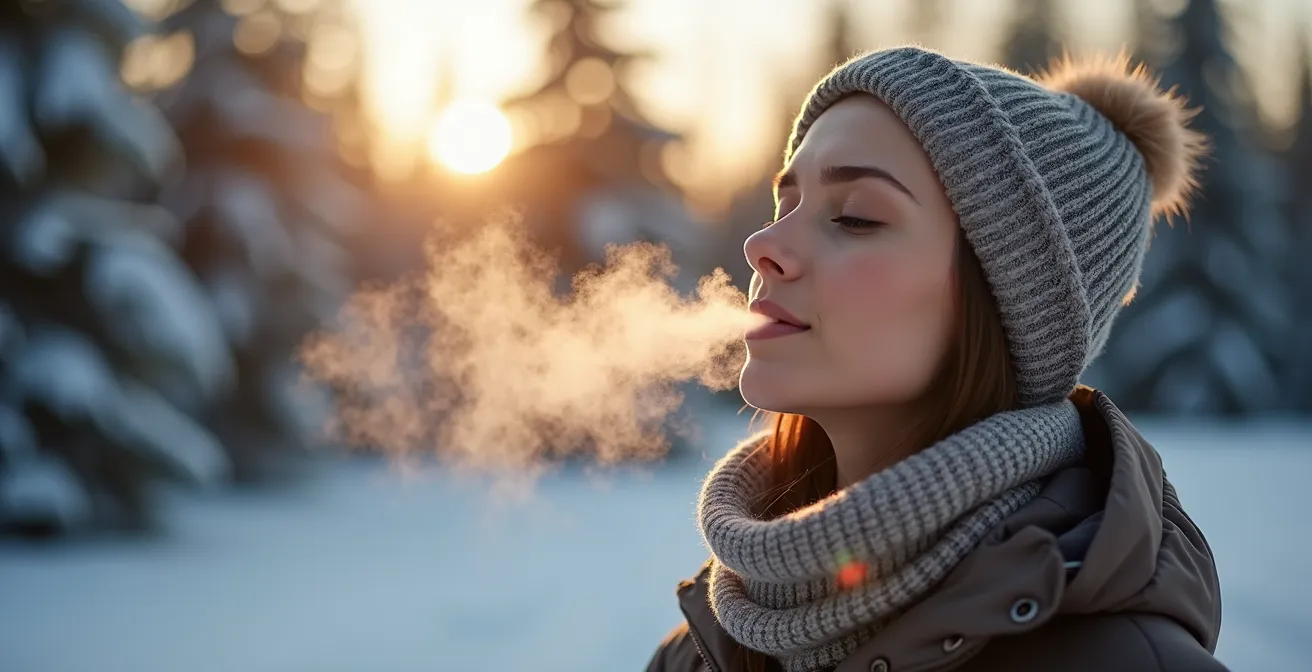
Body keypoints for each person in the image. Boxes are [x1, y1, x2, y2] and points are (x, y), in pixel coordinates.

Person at [645, 46, 1226, 672]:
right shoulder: (699, 652)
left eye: (855, 216)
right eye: (786, 206)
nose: (763, 245)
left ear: (1010, 301)